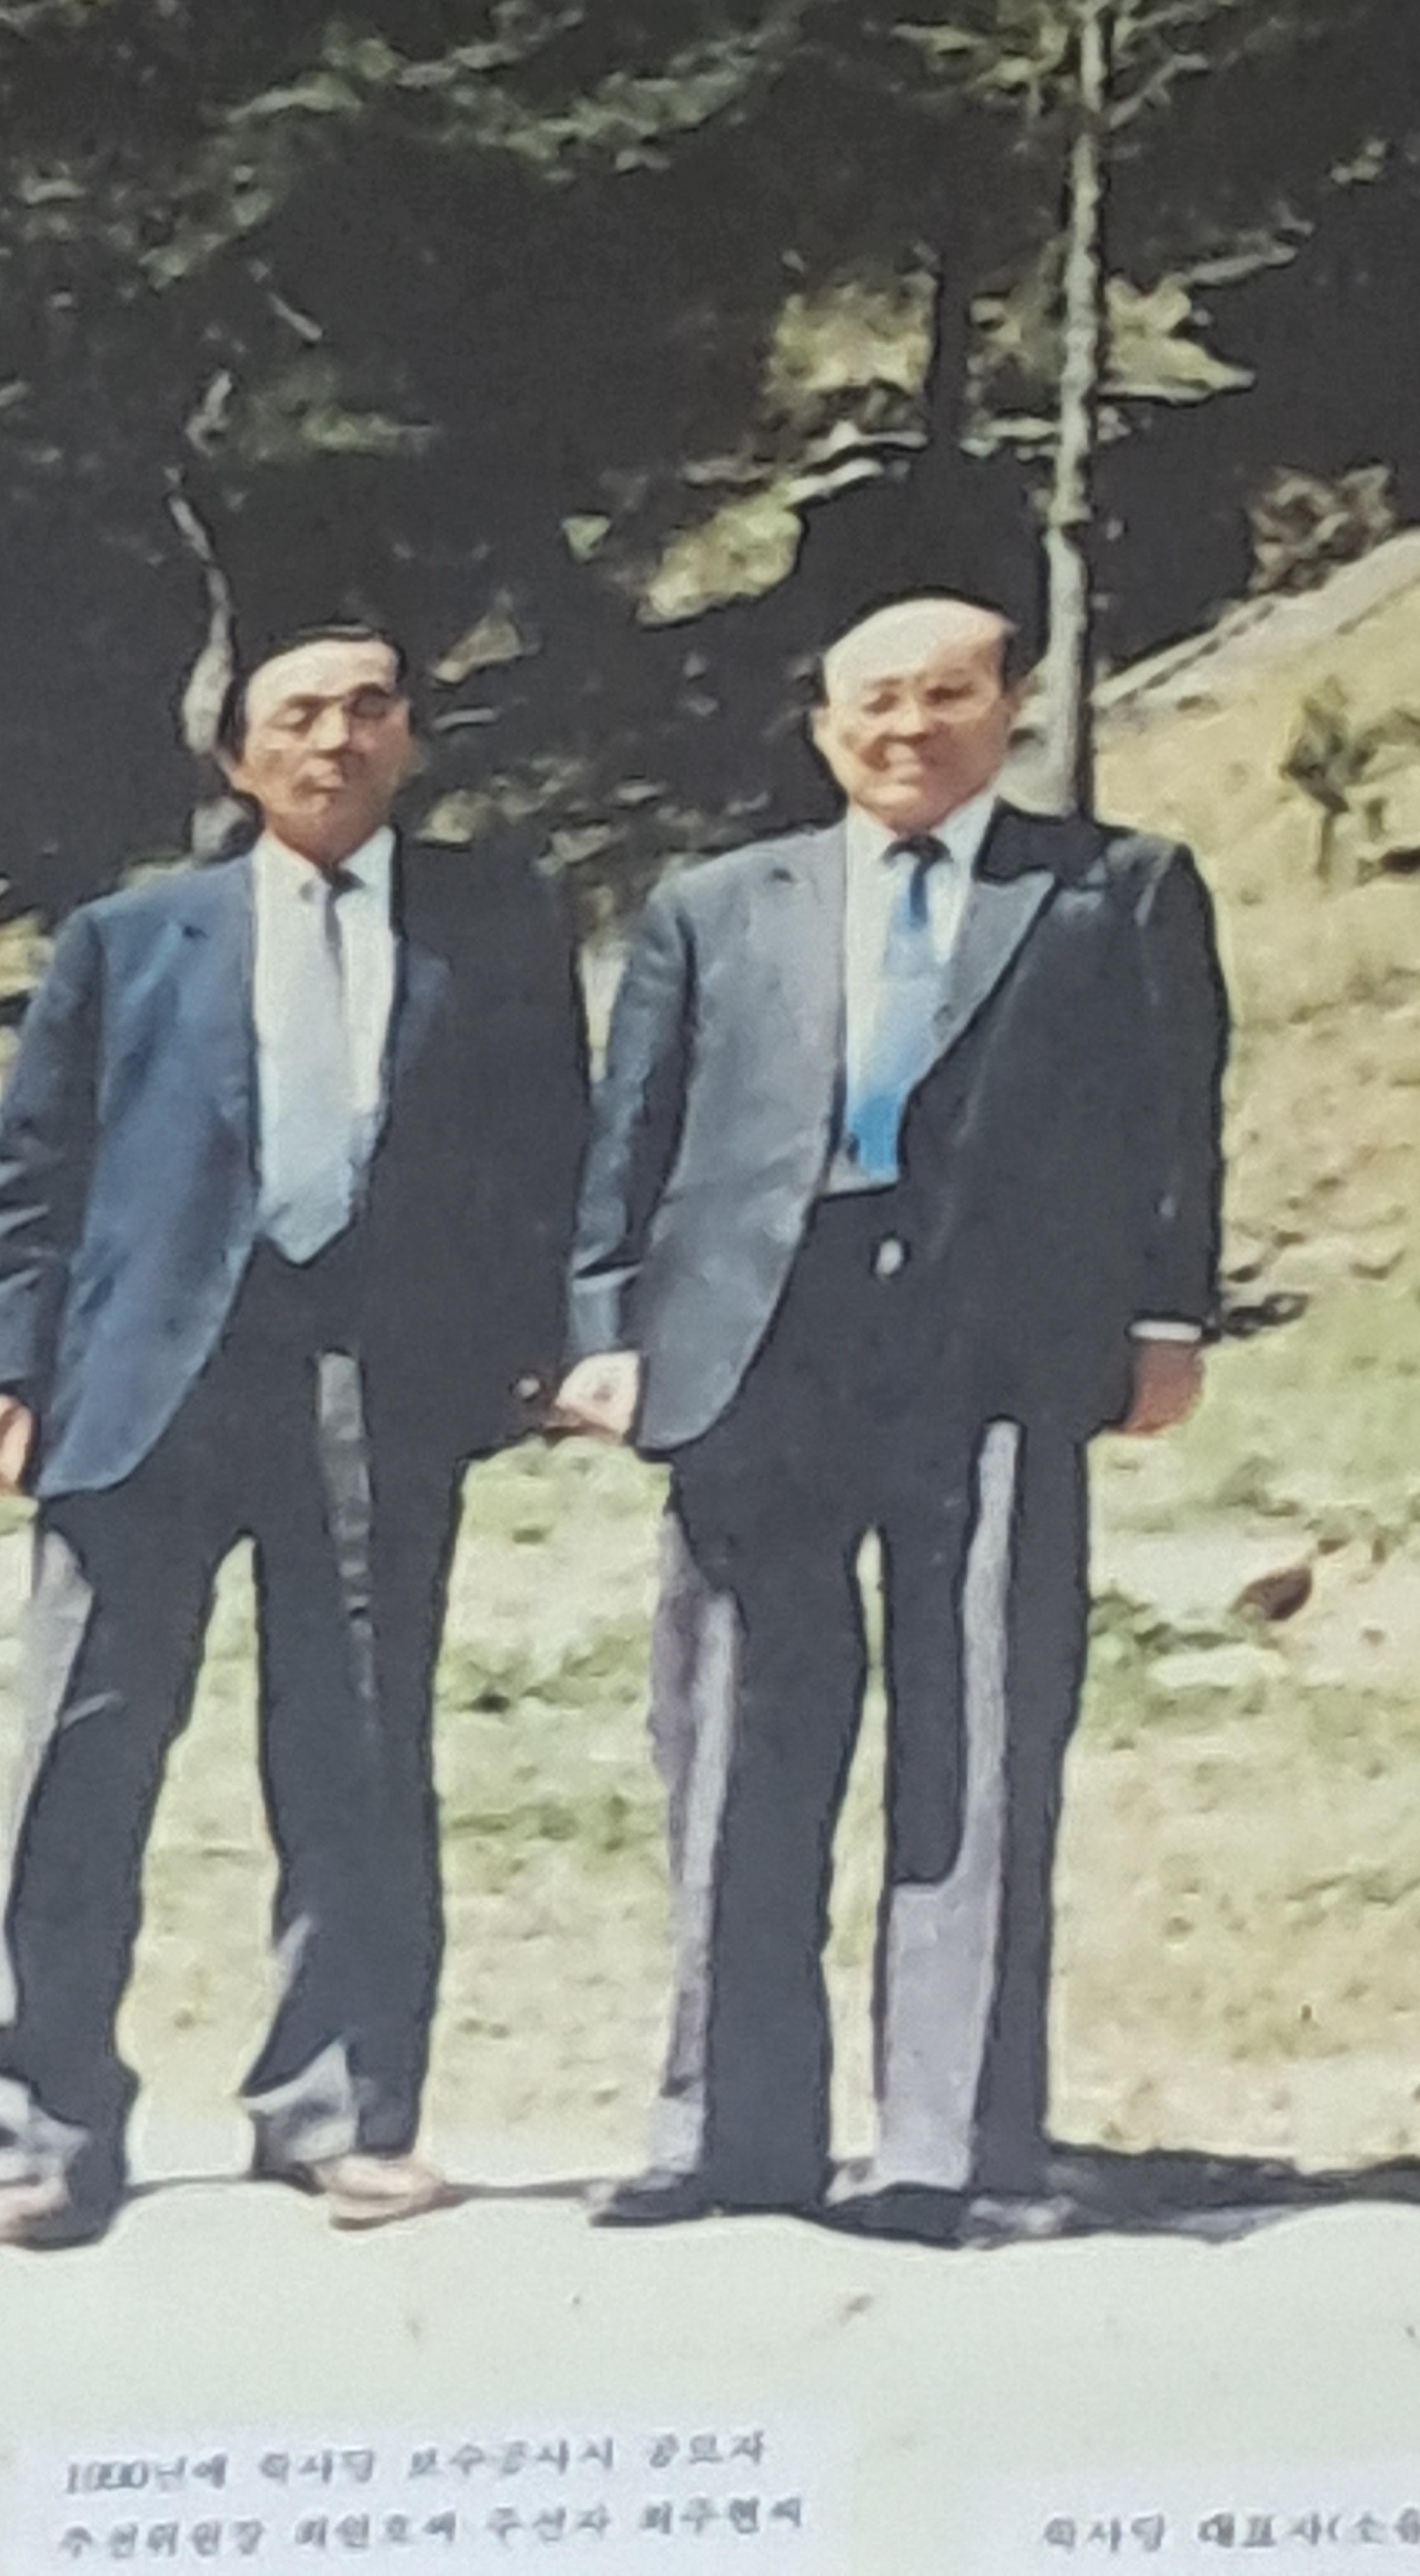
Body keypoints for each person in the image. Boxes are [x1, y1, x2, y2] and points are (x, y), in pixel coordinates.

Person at [555, 591, 1229, 2237]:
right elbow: (632, 1138)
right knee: (735, 1740)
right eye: (874, 701)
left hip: (995, 1354)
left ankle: (952, 2149)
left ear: (1011, 708)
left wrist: (1167, 1318)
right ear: (823, 723)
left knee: (982, 1732)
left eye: (946, 696)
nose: (907, 729)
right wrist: (606, 1331)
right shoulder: (719, 903)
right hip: (758, 1350)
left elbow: (1173, 1121)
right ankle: (730, 2136)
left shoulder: (1116, 888)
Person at [0, 623, 589, 2246]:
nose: (335, 740)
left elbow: (552, 1151)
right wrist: (0, 1369)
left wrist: (547, 1344)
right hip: (145, 1390)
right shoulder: (128, 938)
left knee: (359, 1751)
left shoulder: (494, 928)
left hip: (381, 1379)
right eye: (297, 716)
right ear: (239, 760)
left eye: (370, 709)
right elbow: (31, 1170)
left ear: (412, 741)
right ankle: (41, 2126)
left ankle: (341, 2112)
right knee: (85, 1756)